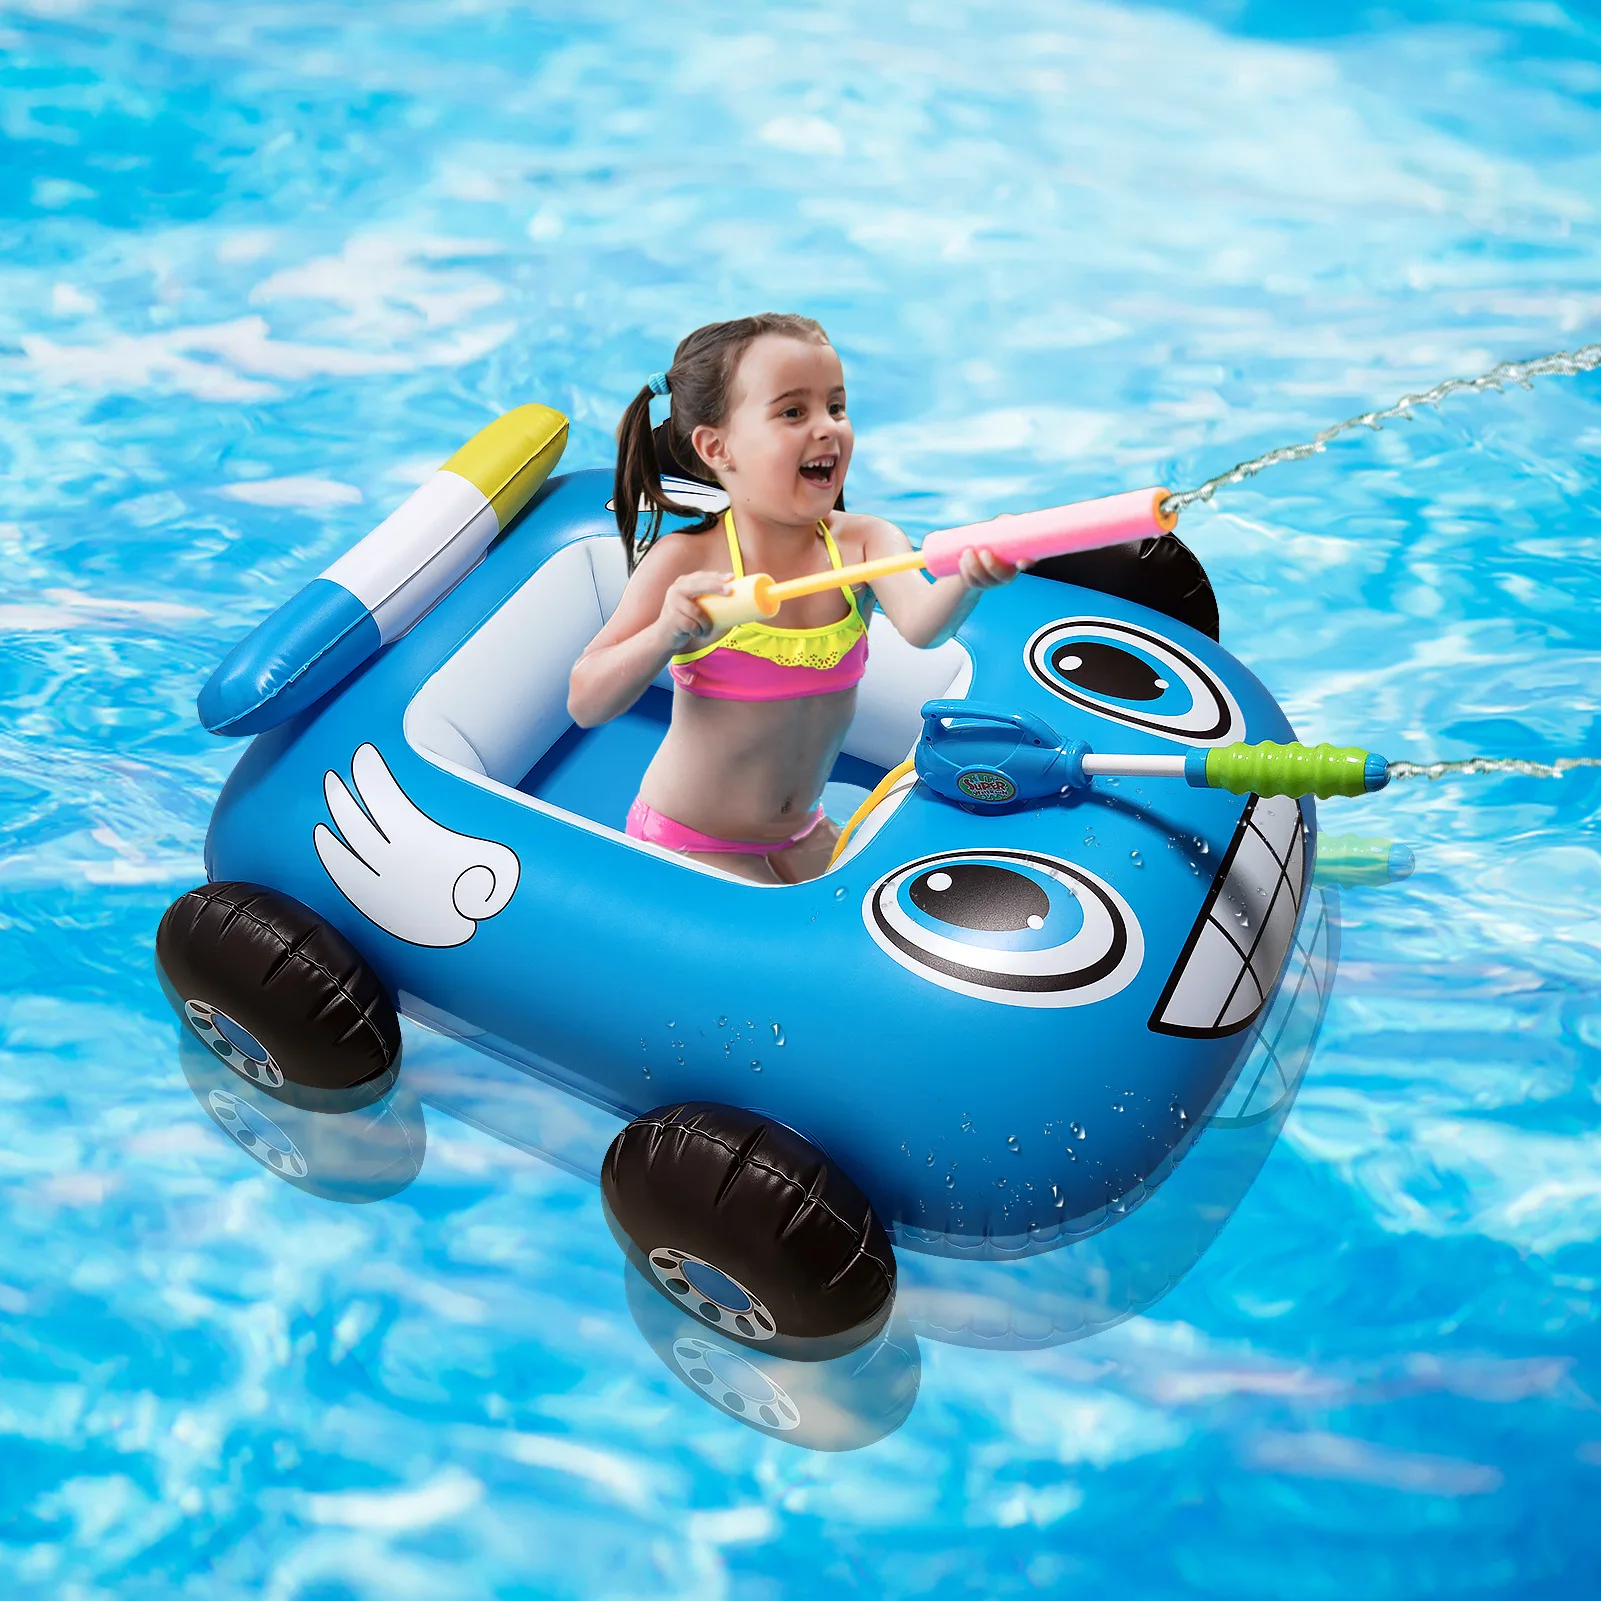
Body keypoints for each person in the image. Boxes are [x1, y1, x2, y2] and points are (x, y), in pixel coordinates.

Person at [568, 313, 1024, 884]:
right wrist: (666, 633)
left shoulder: (864, 543)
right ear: (718, 447)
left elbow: (923, 627)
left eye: (835, 406)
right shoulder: (687, 563)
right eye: (792, 412)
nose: (827, 428)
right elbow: (585, 703)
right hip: (693, 837)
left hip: (800, 828)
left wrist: (970, 577)